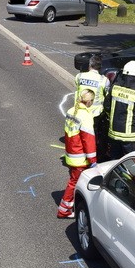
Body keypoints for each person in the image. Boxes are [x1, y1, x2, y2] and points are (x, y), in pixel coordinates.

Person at [57, 87, 98, 219]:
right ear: (89, 101)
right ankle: (64, 210)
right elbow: (88, 140)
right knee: (74, 182)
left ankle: (71, 204)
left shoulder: (71, 111)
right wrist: (93, 160)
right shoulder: (85, 116)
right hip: (80, 157)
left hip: (71, 153)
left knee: (74, 180)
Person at [106, 60, 135, 159]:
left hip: (114, 134)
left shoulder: (114, 88)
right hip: (130, 136)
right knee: (130, 163)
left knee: (114, 161)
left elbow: (107, 107)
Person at [75, 53, 111, 160]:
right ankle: (93, 156)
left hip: (80, 112)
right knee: (93, 137)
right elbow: (107, 96)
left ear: (89, 65)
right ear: (100, 67)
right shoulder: (104, 80)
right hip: (95, 114)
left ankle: (80, 153)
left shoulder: (79, 76)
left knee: (80, 134)